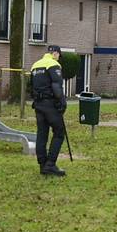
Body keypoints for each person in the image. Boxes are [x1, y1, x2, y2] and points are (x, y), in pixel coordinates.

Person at [30, 44, 68, 176]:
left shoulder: (35, 65)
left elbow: (31, 86)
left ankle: (42, 164)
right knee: (59, 132)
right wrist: (62, 103)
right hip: (50, 105)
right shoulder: (53, 65)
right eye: (58, 56)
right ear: (56, 54)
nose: (58, 58)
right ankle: (50, 164)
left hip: (38, 104)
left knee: (42, 134)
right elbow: (57, 86)